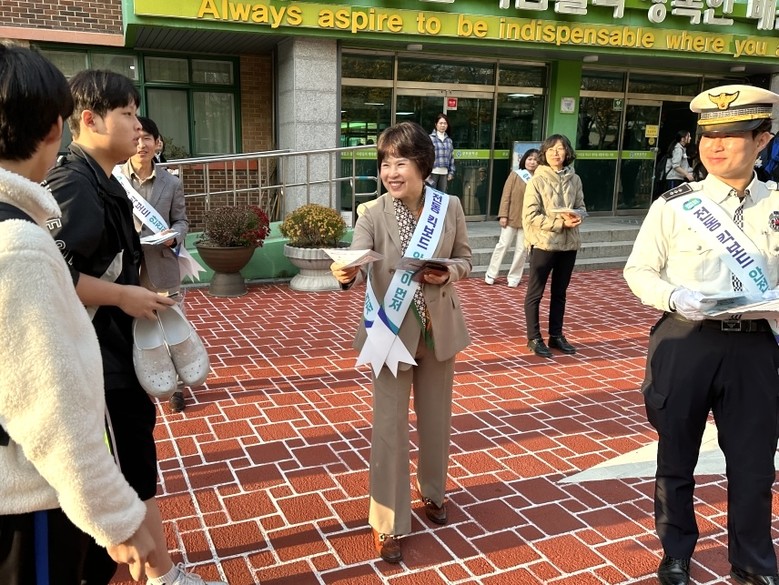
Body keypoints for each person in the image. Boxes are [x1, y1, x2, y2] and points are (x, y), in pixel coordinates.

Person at [44, 70, 226, 585]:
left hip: (111, 352)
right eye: (126, 114)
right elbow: (51, 272)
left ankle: (153, 570)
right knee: (129, 468)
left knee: (133, 464)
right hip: (97, 362)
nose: (136, 126)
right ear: (90, 120)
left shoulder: (101, 180)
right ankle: (164, 575)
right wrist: (125, 296)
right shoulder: (74, 185)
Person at [0, 44, 158, 584]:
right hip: (27, 497)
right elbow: (51, 407)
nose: (138, 126)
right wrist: (118, 520)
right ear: (61, 125)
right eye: (128, 113)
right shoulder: (30, 230)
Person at [623, 84, 779, 585]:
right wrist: (672, 297)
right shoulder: (675, 205)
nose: (715, 145)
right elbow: (638, 270)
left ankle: (753, 561)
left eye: (732, 134)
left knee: (754, 464)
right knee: (676, 455)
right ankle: (675, 553)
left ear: (762, 139)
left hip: (755, 347)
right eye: (708, 134)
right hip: (686, 340)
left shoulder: (777, 202)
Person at [330, 121, 471, 565]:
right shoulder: (371, 212)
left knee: (436, 421)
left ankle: (434, 492)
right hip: (390, 335)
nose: (391, 172)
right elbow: (357, 258)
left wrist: (448, 271)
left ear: (423, 165)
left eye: (401, 162)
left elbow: (466, 258)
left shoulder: (449, 207)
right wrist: (346, 272)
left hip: (438, 332)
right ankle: (387, 520)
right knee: (389, 428)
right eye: (385, 163)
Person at [120, 116, 191, 413]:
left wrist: (174, 236)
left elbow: (182, 221)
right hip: (126, 270)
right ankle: (142, 381)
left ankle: (177, 386)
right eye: (136, 138)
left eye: (147, 138)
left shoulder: (171, 182)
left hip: (162, 266)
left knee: (173, 330)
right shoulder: (113, 179)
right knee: (136, 331)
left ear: (157, 143)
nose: (141, 144)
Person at [522, 134, 586, 358]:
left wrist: (578, 216)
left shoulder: (575, 179)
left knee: (560, 293)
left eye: (560, 149)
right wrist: (560, 223)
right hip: (544, 244)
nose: (555, 153)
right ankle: (534, 338)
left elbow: (581, 206)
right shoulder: (537, 180)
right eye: (551, 149)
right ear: (544, 153)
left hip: (569, 244)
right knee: (535, 293)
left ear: (567, 152)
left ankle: (556, 335)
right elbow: (530, 216)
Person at [484, 148, 539, 287]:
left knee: (522, 250)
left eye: (535, 160)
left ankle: (514, 277)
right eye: (530, 159)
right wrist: (503, 215)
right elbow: (506, 195)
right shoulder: (515, 175)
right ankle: (491, 273)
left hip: (528, 220)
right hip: (511, 217)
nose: (532, 162)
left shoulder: (540, 179)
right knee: (503, 245)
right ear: (524, 160)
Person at [428, 113, 455, 193]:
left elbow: (451, 158)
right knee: (431, 195)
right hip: (432, 173)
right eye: (441, 123)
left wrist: (451, 172)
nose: (443, 125)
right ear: (436, 124)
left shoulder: (449, 141)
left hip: (444, 174)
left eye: (445, 123)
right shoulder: (430, 138)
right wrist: (426, 172)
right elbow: (426, 156)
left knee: (442, 196)